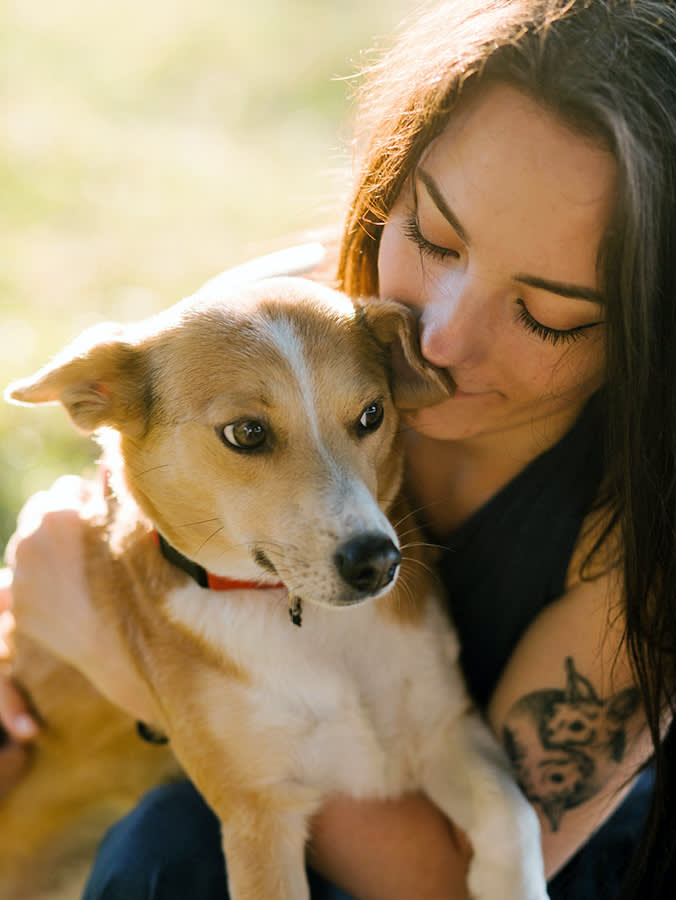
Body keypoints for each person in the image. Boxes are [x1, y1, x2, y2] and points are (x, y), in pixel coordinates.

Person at [2, 0, 676, 897]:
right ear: (386, 189)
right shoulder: (287, 318)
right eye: (435, 240)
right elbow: (125, 510)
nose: (437, 341)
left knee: (169, 855)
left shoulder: (648, 532)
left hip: (521, 858)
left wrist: (126, 667)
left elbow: (444, 882)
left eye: (545, 314)